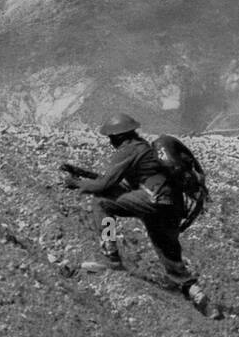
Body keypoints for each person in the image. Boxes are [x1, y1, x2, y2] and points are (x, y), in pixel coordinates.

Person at [64, 112, 214, 317]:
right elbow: (120, 183)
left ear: (118, 137)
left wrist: (76, 183)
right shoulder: (144, 149)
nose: (110, 142)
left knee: (101, 202)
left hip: (152, 201)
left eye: (111, 138)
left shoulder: (128, 150)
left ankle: (111, 256)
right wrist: (84, 174)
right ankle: (199, 296)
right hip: (172, 206)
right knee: (168, 253)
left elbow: (104, 185)